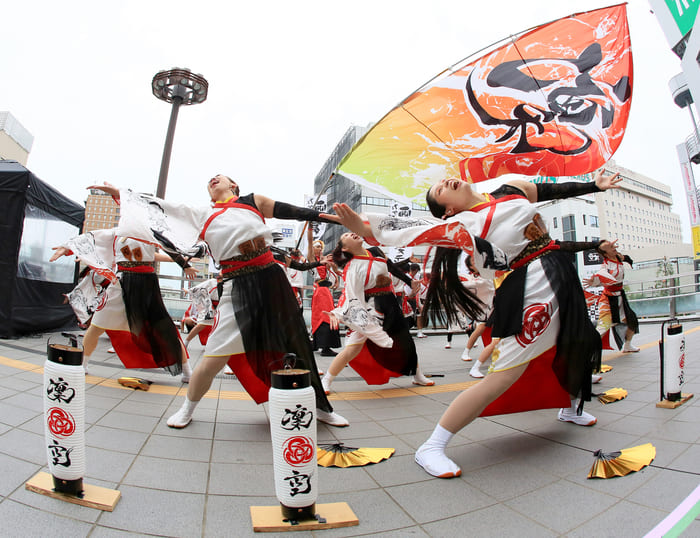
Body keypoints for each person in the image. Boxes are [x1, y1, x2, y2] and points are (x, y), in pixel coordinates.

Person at [333, 170, 620, 477]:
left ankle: (570, 407)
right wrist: (362, 229)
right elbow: (413, 230)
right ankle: (432, 445)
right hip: (530, 284)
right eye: (439, 190)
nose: (445, 182)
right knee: (504, 374)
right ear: (448, 210)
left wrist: (594, 185)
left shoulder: (512, 188)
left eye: (443, 180)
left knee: (578, 342)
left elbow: (549, 191)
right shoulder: (461, 225)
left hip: (558, 270)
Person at [92, 176, 347, 428]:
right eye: (209, 181)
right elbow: (163, 207)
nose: (213, 179)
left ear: (233, 185)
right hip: (236, 285)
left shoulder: (252, 202)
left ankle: (319, 406)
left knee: (296, 343)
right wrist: (122, 194)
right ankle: (187, 408)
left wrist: (325, 217)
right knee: (214, 354)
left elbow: (289, 210)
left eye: (219, 177)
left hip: (271, 279)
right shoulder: (202, 214)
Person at [50, 231, 195, 382]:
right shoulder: (117, 232)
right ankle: (82, 365)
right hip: (120, 282)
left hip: (146, 284)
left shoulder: (149, 232)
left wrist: (184, 264)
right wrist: (68, 247)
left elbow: (166, 247)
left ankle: (188, 372)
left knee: (164, 329)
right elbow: (91, 238)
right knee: (96, 325)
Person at [320, 232, 434, 394]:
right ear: (345, 247)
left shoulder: (375, 252)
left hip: (390, 303)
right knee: (353, 348)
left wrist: (410, 281)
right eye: (346, 235)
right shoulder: (352, 267)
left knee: (406, 342)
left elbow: (392, 267)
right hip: (370, 308)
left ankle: (417, 375)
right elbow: (351, 294)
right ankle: (327, 380)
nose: (352, 233)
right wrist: (338, 313)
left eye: (352, 232)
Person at [584, 239, 639, 353]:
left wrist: (628, 260)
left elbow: (626, 258)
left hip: (620, 296)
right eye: (609, 247)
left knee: (632, 321)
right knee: (603, 327)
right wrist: (593, 282)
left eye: (612, 245)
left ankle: (627, 345)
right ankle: (586, 352)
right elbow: (600, 279)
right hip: (609, 300)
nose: (613, 247)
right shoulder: (605, 266)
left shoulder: (618, 257)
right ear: (605, 253)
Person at [308, 231, 342, 357]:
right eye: (317, 246)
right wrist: (310, 229)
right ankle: (324, 347)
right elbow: (309, 243)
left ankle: (320, 344)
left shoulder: (326, 261)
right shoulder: (312, 261)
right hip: (320, 291)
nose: (320, 248)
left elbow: (336, 271)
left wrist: (338, 278)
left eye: (321, 247)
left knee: (327, 316)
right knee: (323, 317)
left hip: (325, 291)